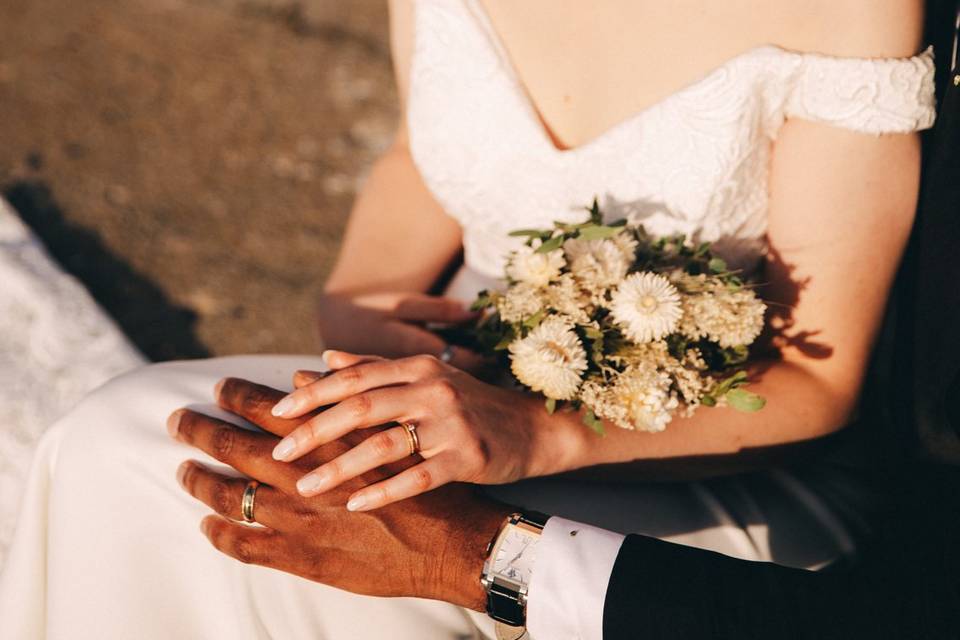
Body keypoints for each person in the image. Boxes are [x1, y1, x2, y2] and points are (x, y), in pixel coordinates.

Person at [0, 1, 941, 638]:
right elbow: (423, 160)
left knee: (315, 565)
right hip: (456, 388)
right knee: (117, 451)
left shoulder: (843, 7)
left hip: (711, 460)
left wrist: (540, 430)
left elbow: (819, 379)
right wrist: (358, 304)